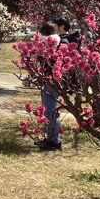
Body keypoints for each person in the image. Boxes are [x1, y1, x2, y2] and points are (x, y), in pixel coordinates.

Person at [38, 23, 63, 151]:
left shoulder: (46, 43)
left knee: (49, 112)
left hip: (50, 81)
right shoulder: (58, 42)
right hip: (53, 80)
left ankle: (54, 141)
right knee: (49, 111)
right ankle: (51, 138)